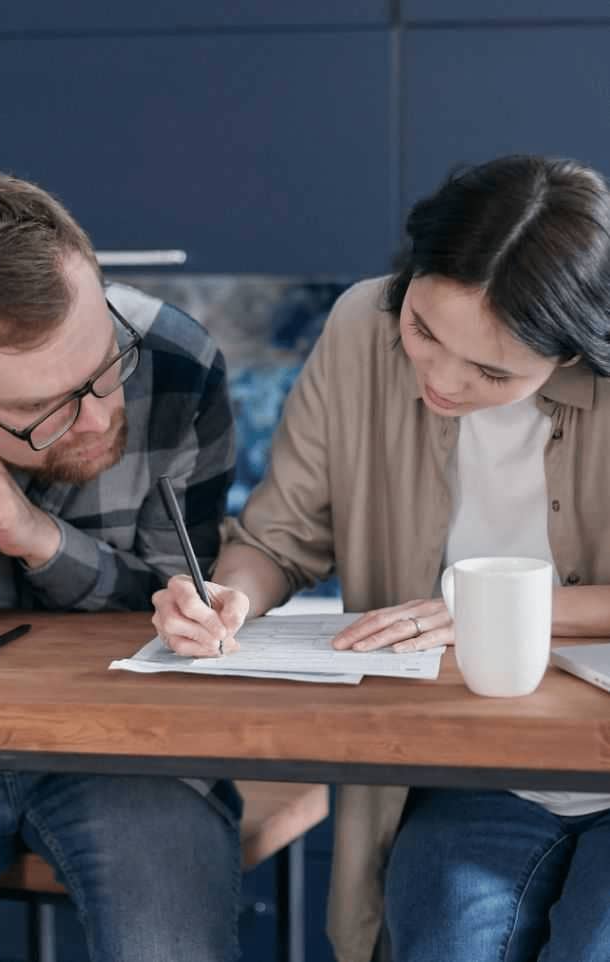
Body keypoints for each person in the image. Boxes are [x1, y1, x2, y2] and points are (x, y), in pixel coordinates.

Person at [152, 154, 610, 962]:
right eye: (425, 332)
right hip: (472, 763)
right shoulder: (363, 323)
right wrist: (228, 596)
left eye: (491, 370)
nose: (438, 377)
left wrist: (507, 614)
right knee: (436, 938)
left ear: (572, 353)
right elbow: (278, 537)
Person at [0, 166, 240, 962]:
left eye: (105, 365)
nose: (101, 414)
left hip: (139, 747)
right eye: (42, 409)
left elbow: (181, 593)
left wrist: (37, 537)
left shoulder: (178, 362)